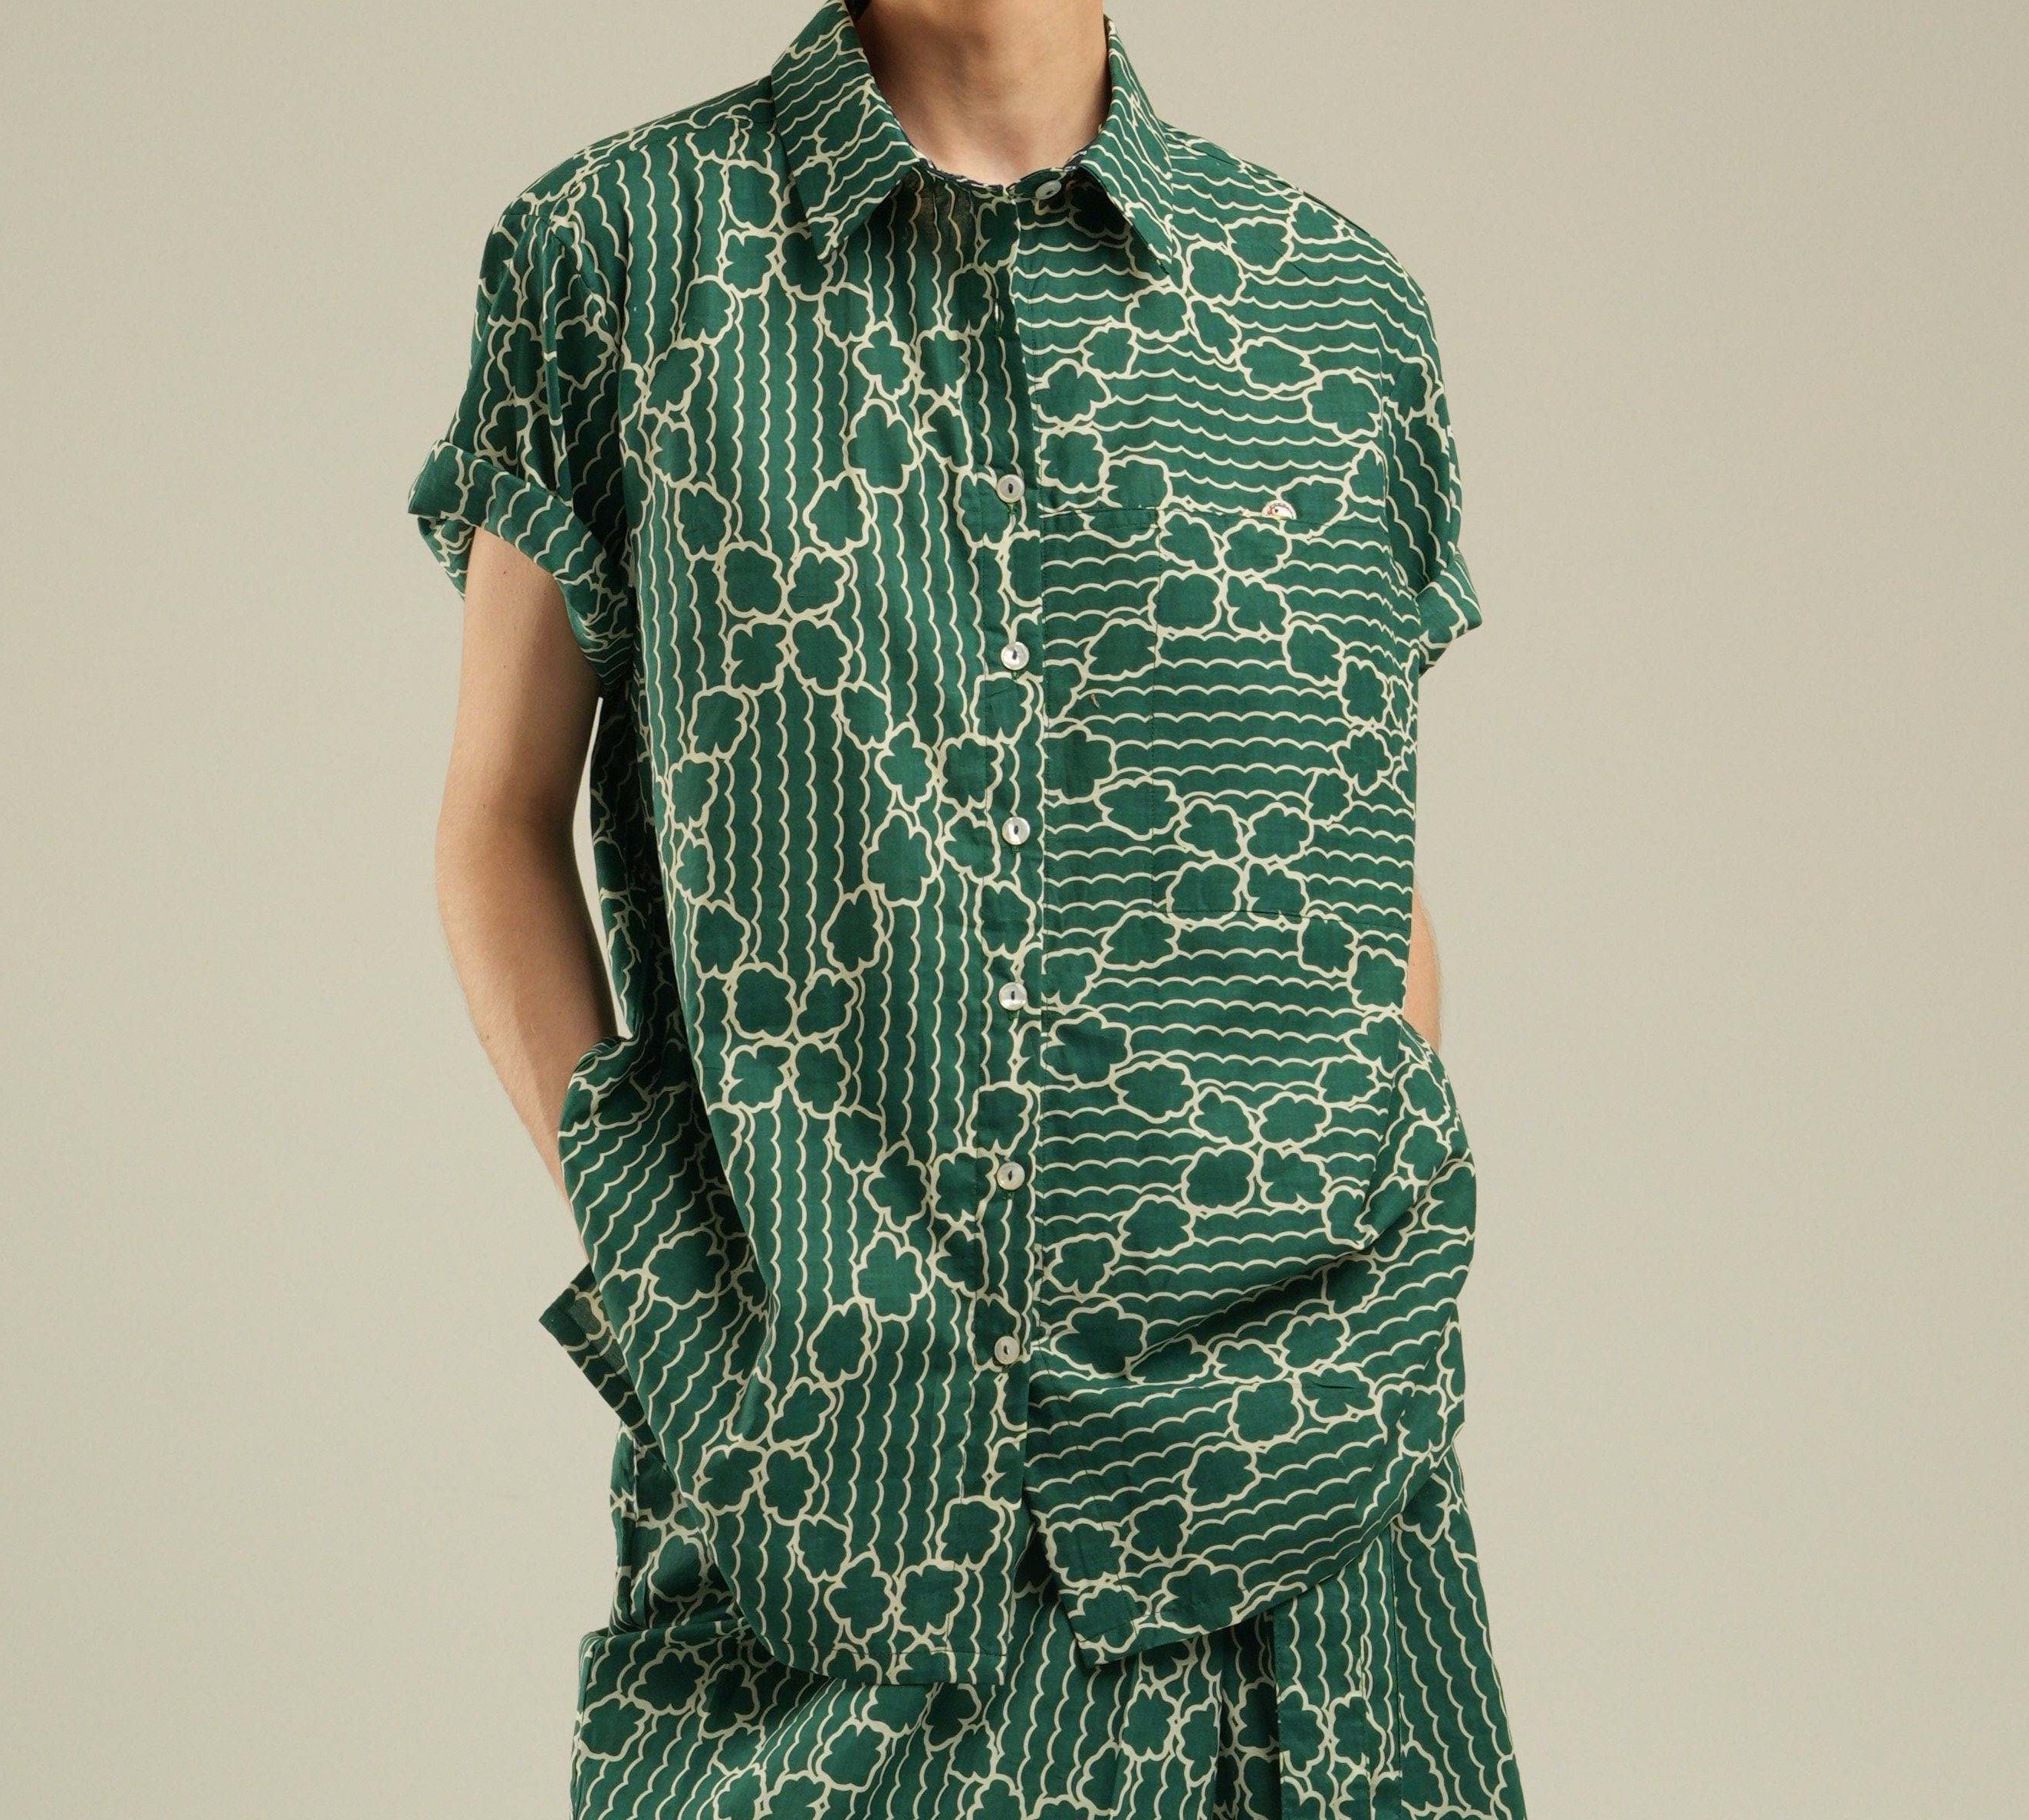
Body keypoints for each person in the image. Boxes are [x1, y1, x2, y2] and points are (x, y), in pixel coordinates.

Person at [409, 1, 1527, 1813]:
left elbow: (1365, 881)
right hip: (842, 1468)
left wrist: (1354, 1310)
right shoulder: (623, 255)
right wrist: (676, 1275)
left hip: (1296, 1488)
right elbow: (495, 817)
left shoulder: (1337, 313)